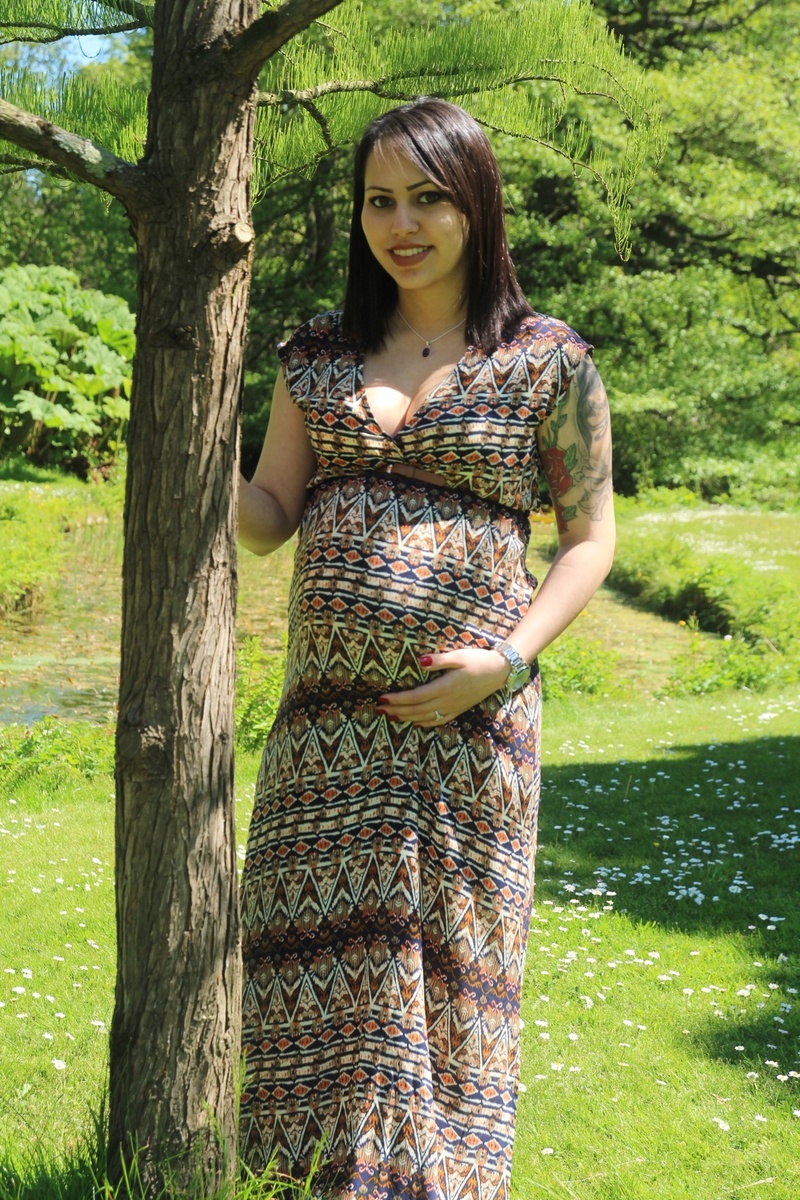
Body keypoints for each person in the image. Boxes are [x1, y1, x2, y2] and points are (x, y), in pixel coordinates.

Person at [238, 98, 614, 1200]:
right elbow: (271, 508)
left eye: (427, 198)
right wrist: (210, 487)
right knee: (323, 992)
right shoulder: (315, 355)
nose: (400, 224)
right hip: (325, 737)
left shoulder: (548, 361)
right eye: (378, 201)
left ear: (475, 204)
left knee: (444, 986)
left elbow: (590, 540)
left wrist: (508, 660)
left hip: (468, 733)